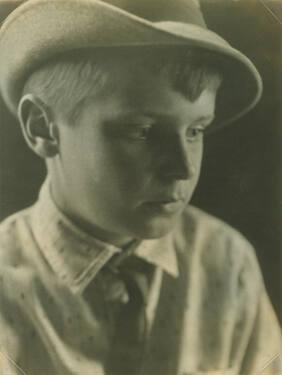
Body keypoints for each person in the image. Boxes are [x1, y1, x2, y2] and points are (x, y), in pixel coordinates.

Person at [0, 0, 280, 374]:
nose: (183, 168)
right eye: (142, 131)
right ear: (41, 127)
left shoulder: (225, 264)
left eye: (195, 131)